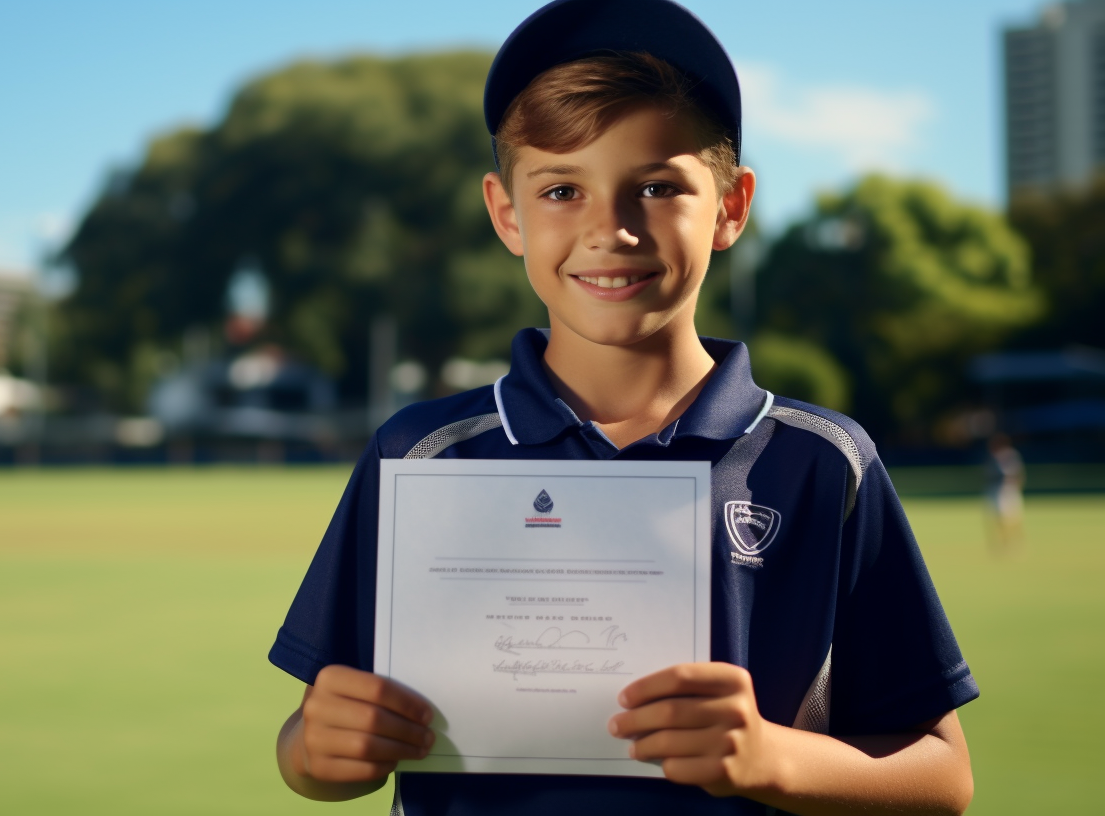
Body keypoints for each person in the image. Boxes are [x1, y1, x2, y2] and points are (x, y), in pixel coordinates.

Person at [268, 1, 979, 813]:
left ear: (732, 207)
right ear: (508, 213)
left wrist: (771, 758)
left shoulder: (822, 462)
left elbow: (943, 779)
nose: (611, 229)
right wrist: (319, 754)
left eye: (656, 186)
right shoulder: (423, 453)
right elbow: (310, 746)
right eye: (563, 188)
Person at [984, 432, 1025, 553]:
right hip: (995, 490)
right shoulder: (992, 457)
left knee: (1013, 518)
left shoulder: (1010, 455)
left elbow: (1018, 474)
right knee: (998, 518)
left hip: (1008, 489)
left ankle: (1017, 542)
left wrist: (1016, 487)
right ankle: (1002, 543)